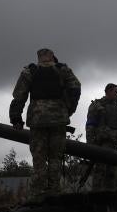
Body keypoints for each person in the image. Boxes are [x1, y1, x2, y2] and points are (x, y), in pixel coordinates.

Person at [9, 48, 81, 198]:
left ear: (39, 58)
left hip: (37, 120)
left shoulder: (29, 71)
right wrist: (69, 109)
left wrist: (16, 118)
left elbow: (19, 96)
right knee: (55, 157)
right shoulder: (62, 70)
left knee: (39, 159)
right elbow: (75, 88)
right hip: (58, 119)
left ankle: (37, 195)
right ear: (52, 56)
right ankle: (55, 193)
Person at [85, 83, 117, 190]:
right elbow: (90, 125)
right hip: (101, 144)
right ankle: (97, 197)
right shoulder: (97, 105)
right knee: (100, 171)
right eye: (116, 92)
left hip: (115, 144)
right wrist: (90, 145)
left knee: (112, 172)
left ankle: (110, 196)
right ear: (108, 91)